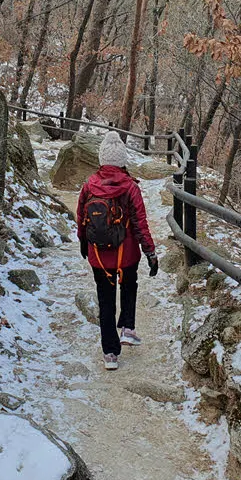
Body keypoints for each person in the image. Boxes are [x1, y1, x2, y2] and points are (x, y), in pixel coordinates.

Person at [76, 131, 159, 370]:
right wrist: (150, 253)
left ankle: (110, 354)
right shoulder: (130, 187)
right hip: (127, 254)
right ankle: (128, 328)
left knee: (105, 301)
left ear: (102, 159)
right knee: (129, 285)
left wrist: (83, 243)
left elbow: (81, 217)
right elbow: (140, 223)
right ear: (122, 161)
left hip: (98, 256)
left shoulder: (89, 185)